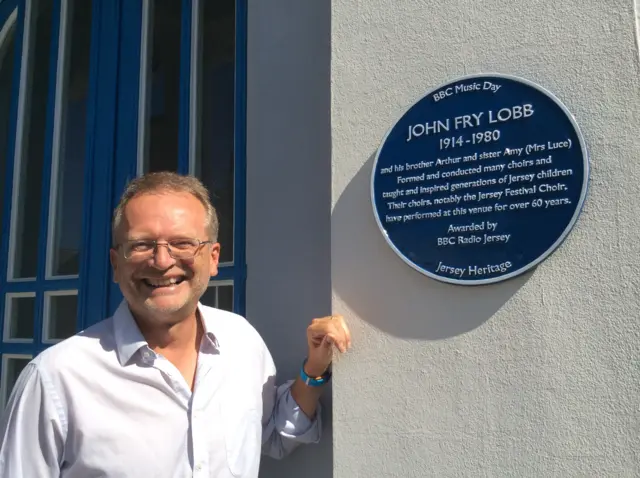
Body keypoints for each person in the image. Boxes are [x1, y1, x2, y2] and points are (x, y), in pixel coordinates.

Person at [0, 172, 351, 477]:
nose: (163, 260)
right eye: (141, 245)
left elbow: (273, 433)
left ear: (213, 258)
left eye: (183, 243)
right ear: (116, 264)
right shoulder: (56, 379)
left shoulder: (241, 341)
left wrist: (315, 368)